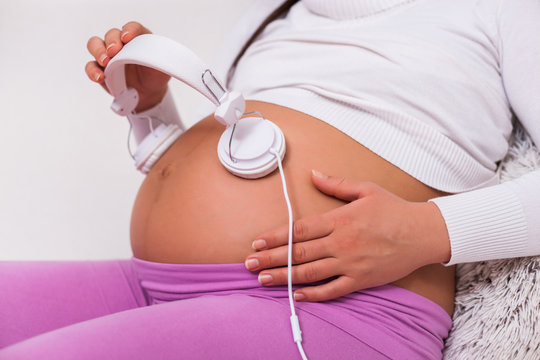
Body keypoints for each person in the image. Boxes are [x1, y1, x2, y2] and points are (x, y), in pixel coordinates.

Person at [1, 0, 539, 359]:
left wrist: (428, 230)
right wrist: (153, 113)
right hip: (159, 283)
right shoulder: (273, 14)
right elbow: (247, 148)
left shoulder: (503, 10)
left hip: (329, 308)